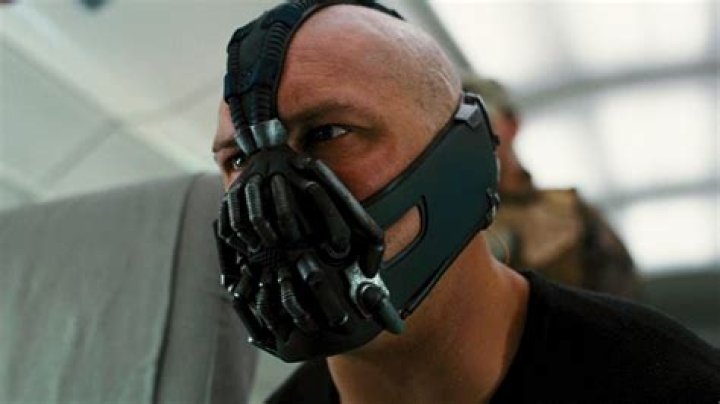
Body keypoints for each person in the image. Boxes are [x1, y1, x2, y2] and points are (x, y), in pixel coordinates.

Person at [210, 1, 720, 403]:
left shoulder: (666, 383)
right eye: (238, 160)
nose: (268, 199)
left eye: (328, 132)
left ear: (464, 155)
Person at [464, 77, 639, 298]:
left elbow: (620, 295)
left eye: (480, 121)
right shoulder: (458, 223)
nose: (470, 137)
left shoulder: (571, 212)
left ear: (511, 125)